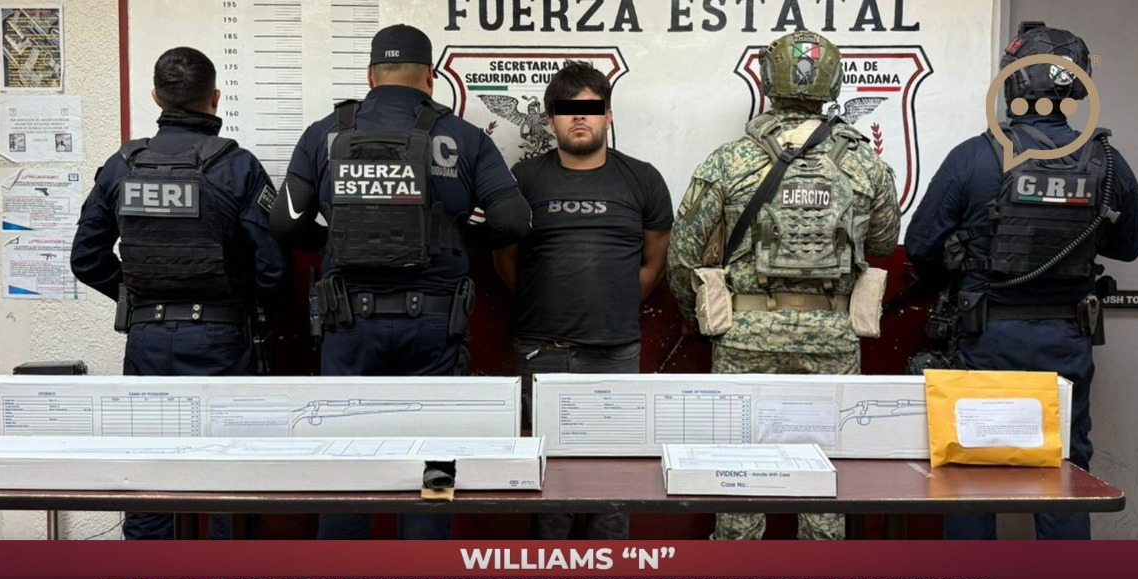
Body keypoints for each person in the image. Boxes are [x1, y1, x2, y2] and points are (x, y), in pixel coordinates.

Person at [270, 24, 532, 540]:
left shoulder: (325, 133)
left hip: (349, 324)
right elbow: (515, 220)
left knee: (347, 467)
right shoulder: (462, 137)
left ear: (371, 75)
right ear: (430, 77)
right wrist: (457, 237)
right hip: (434, 329)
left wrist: (335, 240)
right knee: (432, 469)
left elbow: (286, 222)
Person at [904, 23, 1138, 540]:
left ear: (1014, 81)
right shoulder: (1106, 160)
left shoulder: (975, 156)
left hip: (984, 339)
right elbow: (1129, 246)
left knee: (970, 470)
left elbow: (921, 244)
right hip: (1066, 340)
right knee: (1064, 470)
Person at [667, 30, 900, 541]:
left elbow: (684, 254)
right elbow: (884, 242)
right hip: (832, 341)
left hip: (745, 337)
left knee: (738, 475)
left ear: (768, 81)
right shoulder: (865, 163)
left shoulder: (729, 160)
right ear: (833, 82)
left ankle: (737, 576)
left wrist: (696, 315)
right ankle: (819, 578)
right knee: (823, 476)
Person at [71, 47, 288, 540]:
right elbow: (273, 269)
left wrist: (136, 293)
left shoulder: (122, 165)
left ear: (156, 97)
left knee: (149, 473)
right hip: (222, 339)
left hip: (146, 340)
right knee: (228, 475)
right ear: (215, 97)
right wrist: (235, 300)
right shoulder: (237, 166)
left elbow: (86, 259)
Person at [493, 61, 673, 540]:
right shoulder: (524, 179)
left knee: (613, 482)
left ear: (608, 116)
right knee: (547, 482)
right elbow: (505, 259)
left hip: (615, 353)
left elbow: (655, 261)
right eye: (567, 110)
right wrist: (545, 302)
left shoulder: (642, 179)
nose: (579, 118)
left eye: (590, 109)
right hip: (542, 352)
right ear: (550, 120)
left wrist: (612, 305)